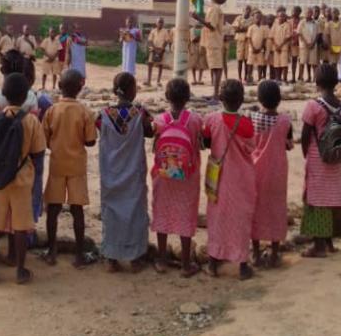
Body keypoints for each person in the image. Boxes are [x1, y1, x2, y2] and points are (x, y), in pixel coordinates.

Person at [0, 72, 45, 285]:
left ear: (3, 94)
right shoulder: (31, 121)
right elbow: (38, 152)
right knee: (21, 226)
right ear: (25, 96)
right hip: (22, 180)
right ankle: (20, 270)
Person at [98, 72, 152, 272]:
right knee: (135, 211)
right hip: (133, 171)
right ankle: (135, 257)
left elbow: (99, 131)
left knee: (111, 212)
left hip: (111, 172)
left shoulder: (103, 115)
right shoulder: (140, 113)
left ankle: (111, 258)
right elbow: (150, 132)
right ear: (132, 90)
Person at [43, 68, 96, 267]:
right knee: (77, 209)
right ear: (81, 88)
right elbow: (91, 141)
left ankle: (51, 251)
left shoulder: (52, 110)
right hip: (77, 166)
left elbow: (44, 139)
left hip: (57, 164)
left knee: (53, 208)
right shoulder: (85, 111)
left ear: (59, 86)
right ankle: (79, 255)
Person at [203, 79, 255, 280]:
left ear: (220, 98)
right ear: (241, 100)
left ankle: (213, 262)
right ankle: (242, 265)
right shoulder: (246, 123)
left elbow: (206, 141)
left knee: (216, 218)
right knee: (241, 219)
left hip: (218, 177)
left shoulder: (212, 119)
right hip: (242, 179)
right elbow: (251, 148)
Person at [151, 77, 202, 277]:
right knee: (186, 213)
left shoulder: (159, 120)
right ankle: (186, 264)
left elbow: (155, 144)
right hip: (187, 176)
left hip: (163, 175)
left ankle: (162, 260)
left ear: (167, 96)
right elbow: (199, 144)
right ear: (188, 97)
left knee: (162, 211)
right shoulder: (195, 120)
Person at [300, 63, 341, 257]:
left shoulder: (313, 106)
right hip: (335, 158)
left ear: (317, 82)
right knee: (333, 196)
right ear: (335, 83)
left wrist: (306, 153)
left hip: (317, 157)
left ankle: (318, 245)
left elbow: (305, 135)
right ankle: (329, 242)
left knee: (316, 199)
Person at [250, 80, 293, 268]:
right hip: (277, 171)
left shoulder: (253, 119)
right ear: (279, 99)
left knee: (256, 209)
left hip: (256, 170)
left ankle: (256, 254)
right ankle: (275, 254)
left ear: (260, 99)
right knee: (276, 208)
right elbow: (289, 145)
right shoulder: (285, 121)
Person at [195, 0, 227, 101]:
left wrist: (198, 18)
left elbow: (212, 26)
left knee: (217, 68)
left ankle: (216, 95)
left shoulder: (215, 9)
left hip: (214, 42)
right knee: (214, 67)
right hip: (211, 42)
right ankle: (214, 94)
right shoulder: (213, 8)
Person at [146, 17, 169, 88]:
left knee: (160, 65)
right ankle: (148, 81)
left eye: (161, 22)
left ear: (163, 23)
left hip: (161, 50)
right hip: (153, 49)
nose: (160, 23)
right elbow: (150, 40)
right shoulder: (153, 31)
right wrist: (154, 48)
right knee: (150, 63)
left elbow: (166, 41)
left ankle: (158, 81)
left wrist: (162, 49)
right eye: (159, 22)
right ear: (156, 23)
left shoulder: (165, 31)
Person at [298, 7, 319, 83]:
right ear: (305, 13)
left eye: (310, 12)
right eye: (307, 12)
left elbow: (317, 35)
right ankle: (300, 78)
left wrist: (313, 43)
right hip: (304, 45)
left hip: (313, 45)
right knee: (302, 62)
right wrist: (306, 43)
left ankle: (315, 79)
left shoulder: (315, 23)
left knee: (313, 63)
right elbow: (299, 34)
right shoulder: (302, 22)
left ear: (312, 14)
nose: (309, 14)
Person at [232, 6, 253, 82]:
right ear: (243, 10)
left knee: (247, 60)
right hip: (240, 40)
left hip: (248, 41)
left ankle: (246, 76)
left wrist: (242, 28)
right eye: (246, 10)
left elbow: (251, 29)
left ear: (250, 11)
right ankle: (239, 77)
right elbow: (236, 29)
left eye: (249, 10)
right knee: (239, 59)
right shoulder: (238, 18)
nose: (247, 11)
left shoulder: (252, 19)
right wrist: (245, 28)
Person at [246, 11, 267, 84]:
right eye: (256, 17)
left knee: (260, 64)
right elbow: (249, 38)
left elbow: (264, 39)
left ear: (261, 18)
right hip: (252, 49)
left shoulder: (263, 28)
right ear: (254, 18)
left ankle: (259, 78)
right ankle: (249, 78)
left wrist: (260, 47)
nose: (258, 19)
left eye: (259, 17)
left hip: (260, 49)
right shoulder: (251, 27)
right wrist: (253, 47)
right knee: (250, 64)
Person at [271, 9, 291, 83]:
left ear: (285, 17)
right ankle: (277, 78)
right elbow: (271, 36)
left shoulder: (287, 25)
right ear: (277, 17)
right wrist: (276, 46)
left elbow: (288, 37)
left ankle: (284, 79)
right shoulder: (275, 25)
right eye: (280, 16)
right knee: (277, 64)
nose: (281, 17)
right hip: (276, 47)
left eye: (283, 16)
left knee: (284, 64)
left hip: (284, 47)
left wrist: (280, 45)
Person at [39, 26, 60, 91]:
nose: (52, 33)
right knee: (44, 73)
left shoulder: (57, 41)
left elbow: (59, 51)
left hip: (54, 59)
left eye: (53, 32)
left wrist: (53, 57)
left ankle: (53, 87)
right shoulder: (46, 40)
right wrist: (49, 56)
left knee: (54, 74)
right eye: (51, 32)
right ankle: (43, 87)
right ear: (49, 33)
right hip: (47, 59)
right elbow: (42, 49)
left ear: (55, 33)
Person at [290, 6, 302, 84]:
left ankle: (300, 77)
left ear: (299, 12)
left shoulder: (302, 21)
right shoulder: (289, 21)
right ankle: (293, 77)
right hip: (293, 44)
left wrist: (297, 40)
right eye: (292, 11)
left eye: (295, 11)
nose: (293, 12)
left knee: (301, 61)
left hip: (301, 44)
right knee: (293, 60)